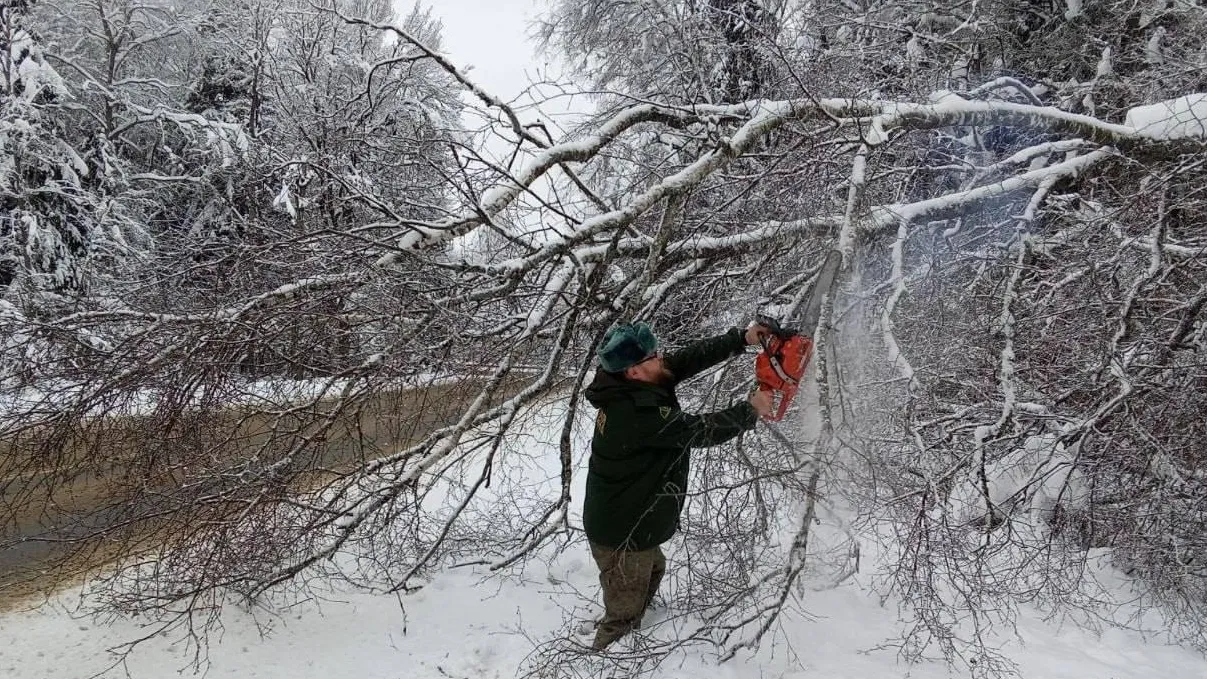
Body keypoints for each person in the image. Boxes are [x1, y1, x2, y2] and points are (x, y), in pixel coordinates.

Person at [581, 320, 774, 650]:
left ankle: (636, 622)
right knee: (625, 604)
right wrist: (748, 411)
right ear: (634, 372)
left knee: (653, 568)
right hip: (620, 531)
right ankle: (607, 654)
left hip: (632, 517)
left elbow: (683, 361)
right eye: (653, 357)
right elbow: (697, 430)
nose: (661, 359)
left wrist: (740, 339)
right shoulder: (634, 413)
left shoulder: (632, 380)